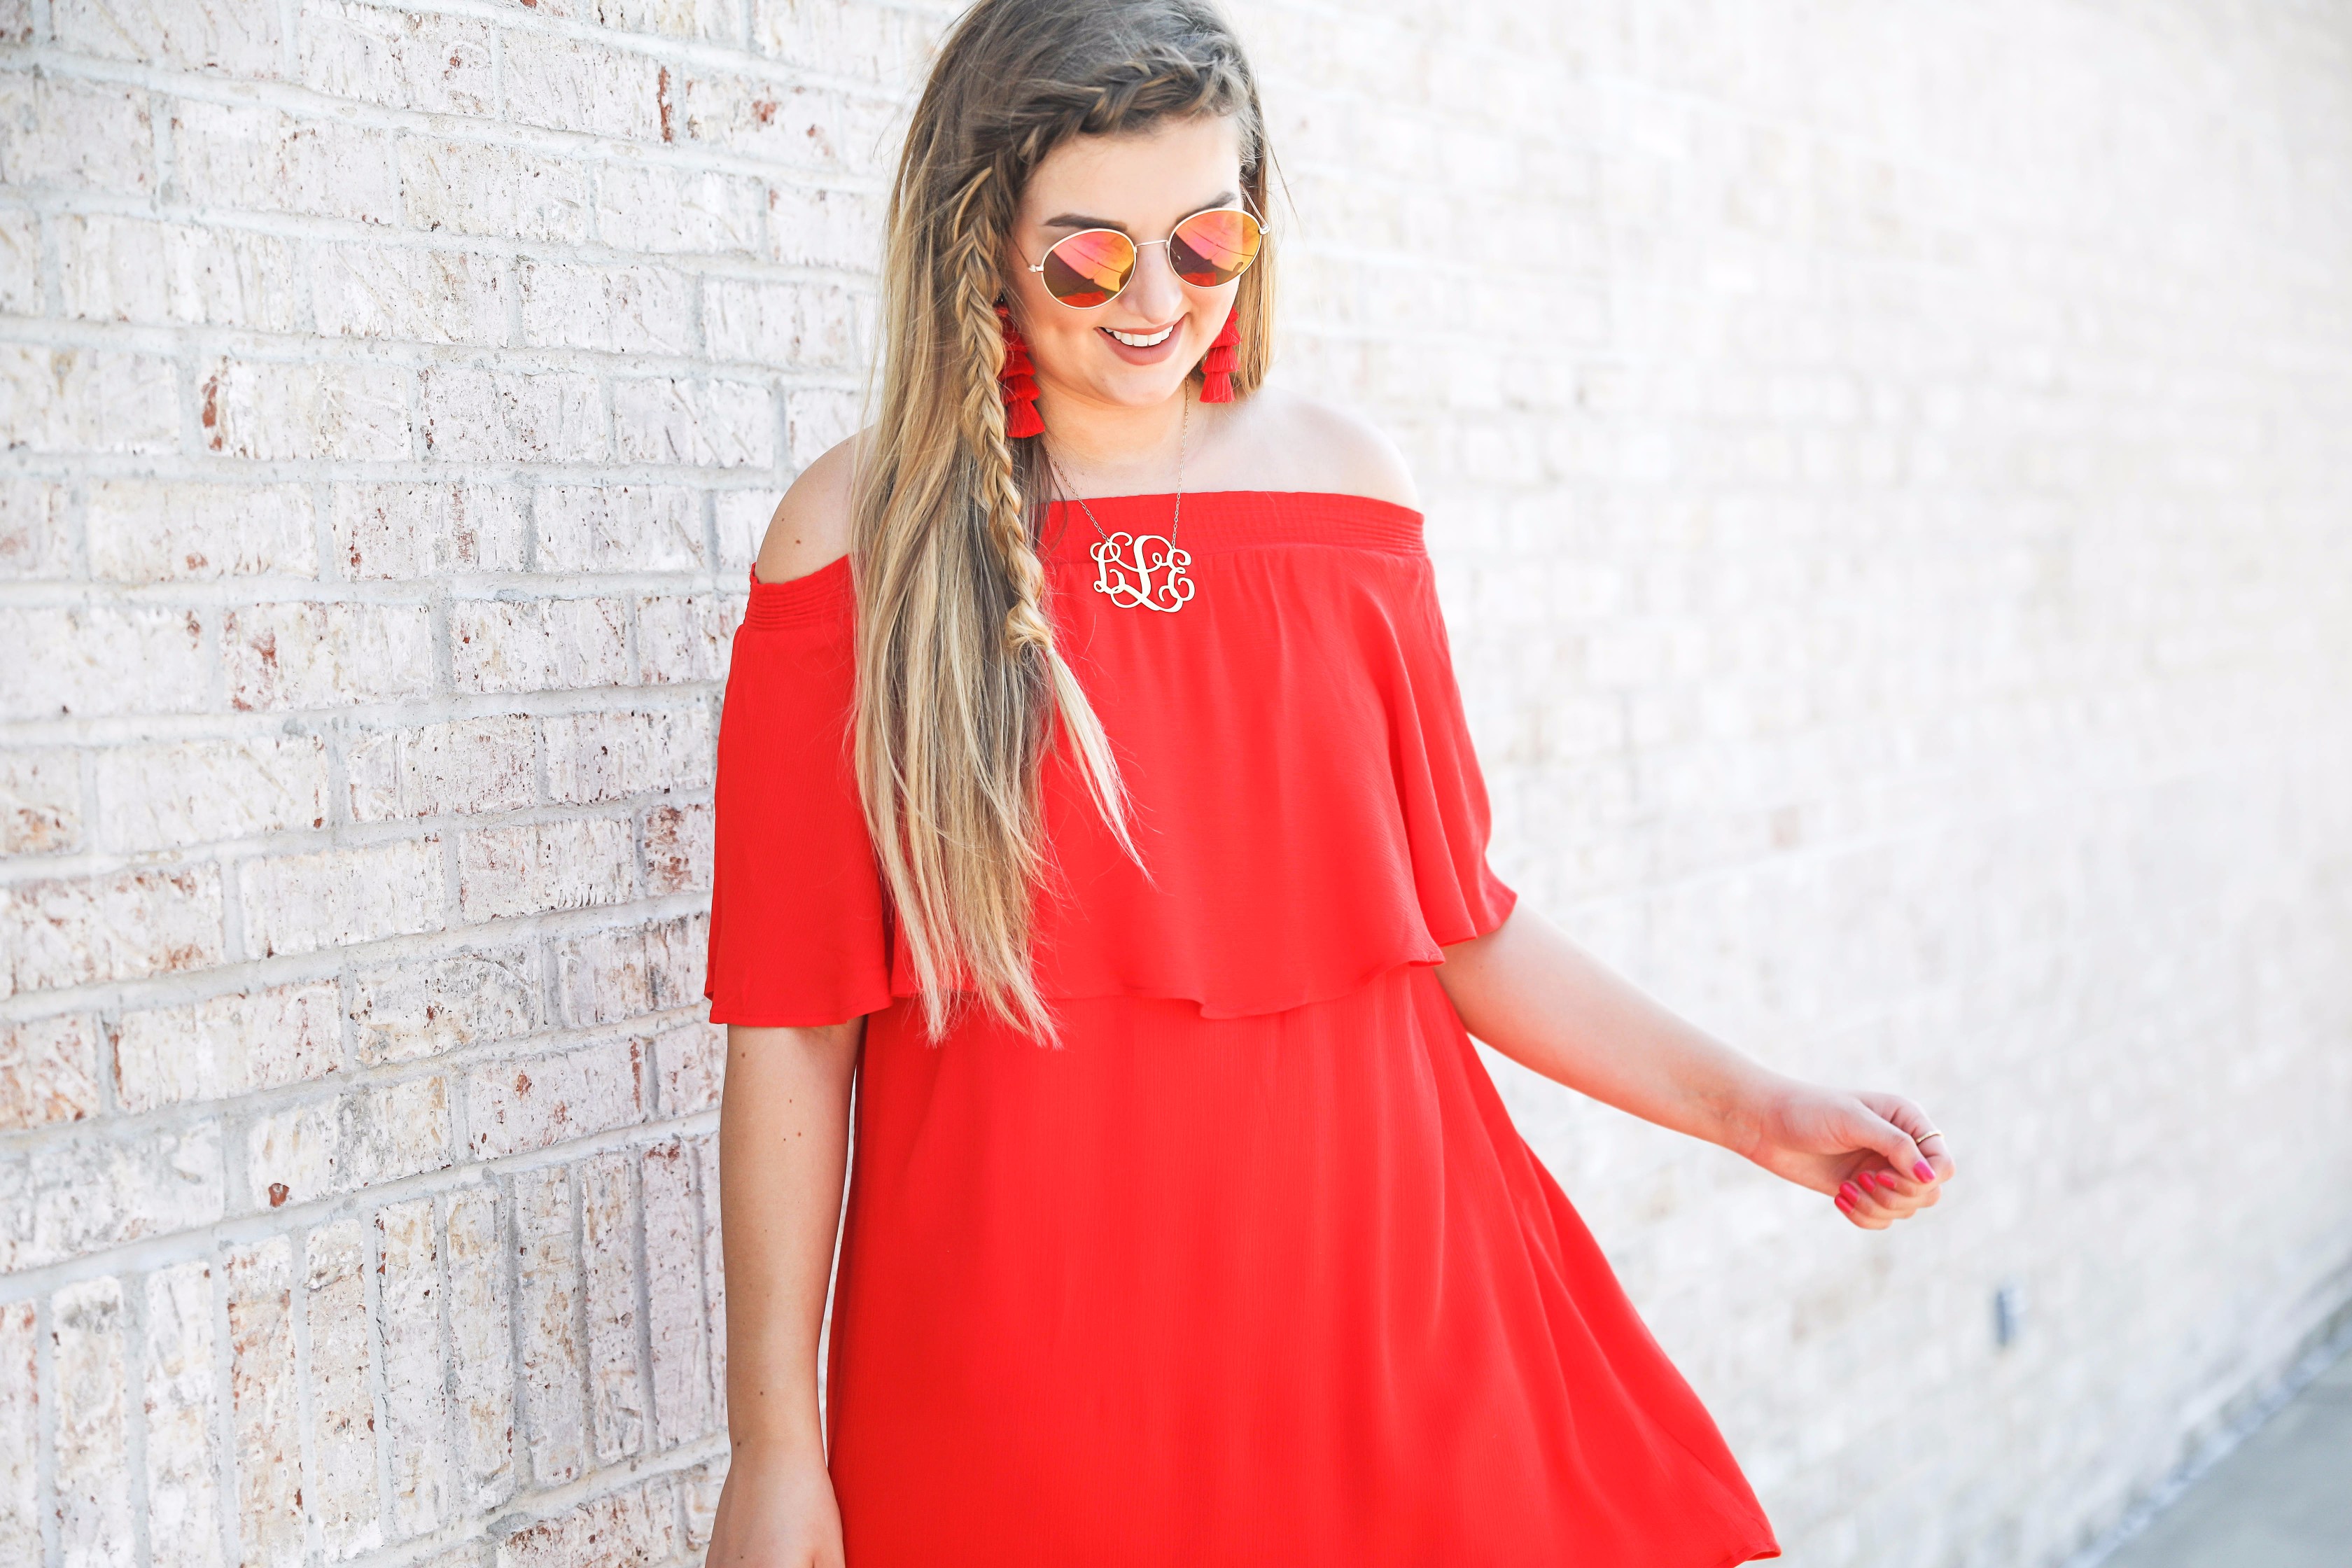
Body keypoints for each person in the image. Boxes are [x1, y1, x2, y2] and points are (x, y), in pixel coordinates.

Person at [701, 2, 1954, 1563]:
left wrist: (1756, 1111)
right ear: (978, 240)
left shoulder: (1349, 494)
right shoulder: (855, 540)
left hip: (1386, 1310)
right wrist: (775, 1452)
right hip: (1021, 1359)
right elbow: (796, 1034)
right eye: (1089, 258)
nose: (1159, 302)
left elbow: (1461, 925)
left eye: (1207, 238)